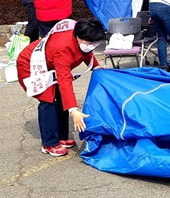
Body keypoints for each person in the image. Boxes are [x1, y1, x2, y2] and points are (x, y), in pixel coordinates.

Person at [16, 18, 105, 157]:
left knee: (61, 99)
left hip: (51, 65)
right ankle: (49, 143)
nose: (92, 46)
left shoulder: (82, 40)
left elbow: (87, 53)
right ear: (78, 37)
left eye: (96, 43)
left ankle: (62, 137)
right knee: (48, 100)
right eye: (90, 42)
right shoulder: (63, 48)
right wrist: (73, 110)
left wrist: (96, 66)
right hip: (31, 65)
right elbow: (64, 80)